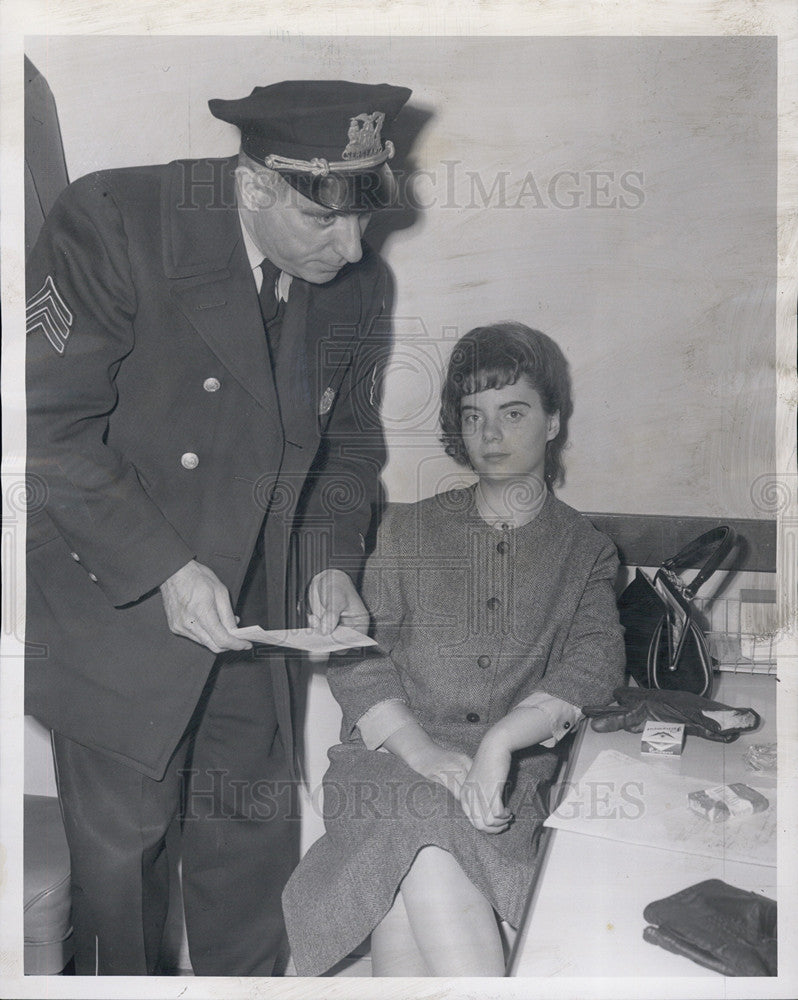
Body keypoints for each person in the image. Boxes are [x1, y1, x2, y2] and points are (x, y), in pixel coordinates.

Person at [24, 79, 411, 976]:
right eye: (325, 219)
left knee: (252, 860)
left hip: (253, 620)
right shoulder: (116, 221)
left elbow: (347, 450)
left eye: (366, 218)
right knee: (124, 879)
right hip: (114, 609)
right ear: (254, 187)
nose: (353, 248)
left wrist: (329, 563)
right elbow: (45, 427)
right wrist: (164, 565)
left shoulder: (355, 290)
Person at [282, 321, 626, 976]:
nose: (491, 435)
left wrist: (500, 742)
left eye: (513, 412)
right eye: (473, 416)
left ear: (553, 422)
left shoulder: (585, 551)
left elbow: (596, 662)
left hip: (507, 778)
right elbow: (358, 658)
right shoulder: (408, 530)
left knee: (421, 869)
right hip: (387, 764)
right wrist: (424, 752)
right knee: (426, 826)